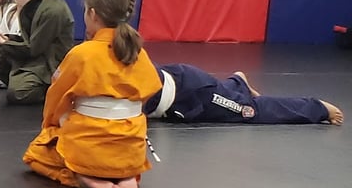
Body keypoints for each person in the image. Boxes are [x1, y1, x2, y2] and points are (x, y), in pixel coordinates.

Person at [23, 0, 162, 188]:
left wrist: (51, 127)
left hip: (88, 150)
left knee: (36, 153)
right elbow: (148, 93)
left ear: (93, 14)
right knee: (117, 145)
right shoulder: (138, 53)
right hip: (130, 151)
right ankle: (126, 175)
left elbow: (56, 97)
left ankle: (81, 175)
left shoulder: (82, 54)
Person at [144, 65, 343, 125]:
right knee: (225, 95)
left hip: (192, 94)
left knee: (250, 111)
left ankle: (317, 108)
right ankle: (237, 83)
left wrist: (319, 110)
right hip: (178, 91)